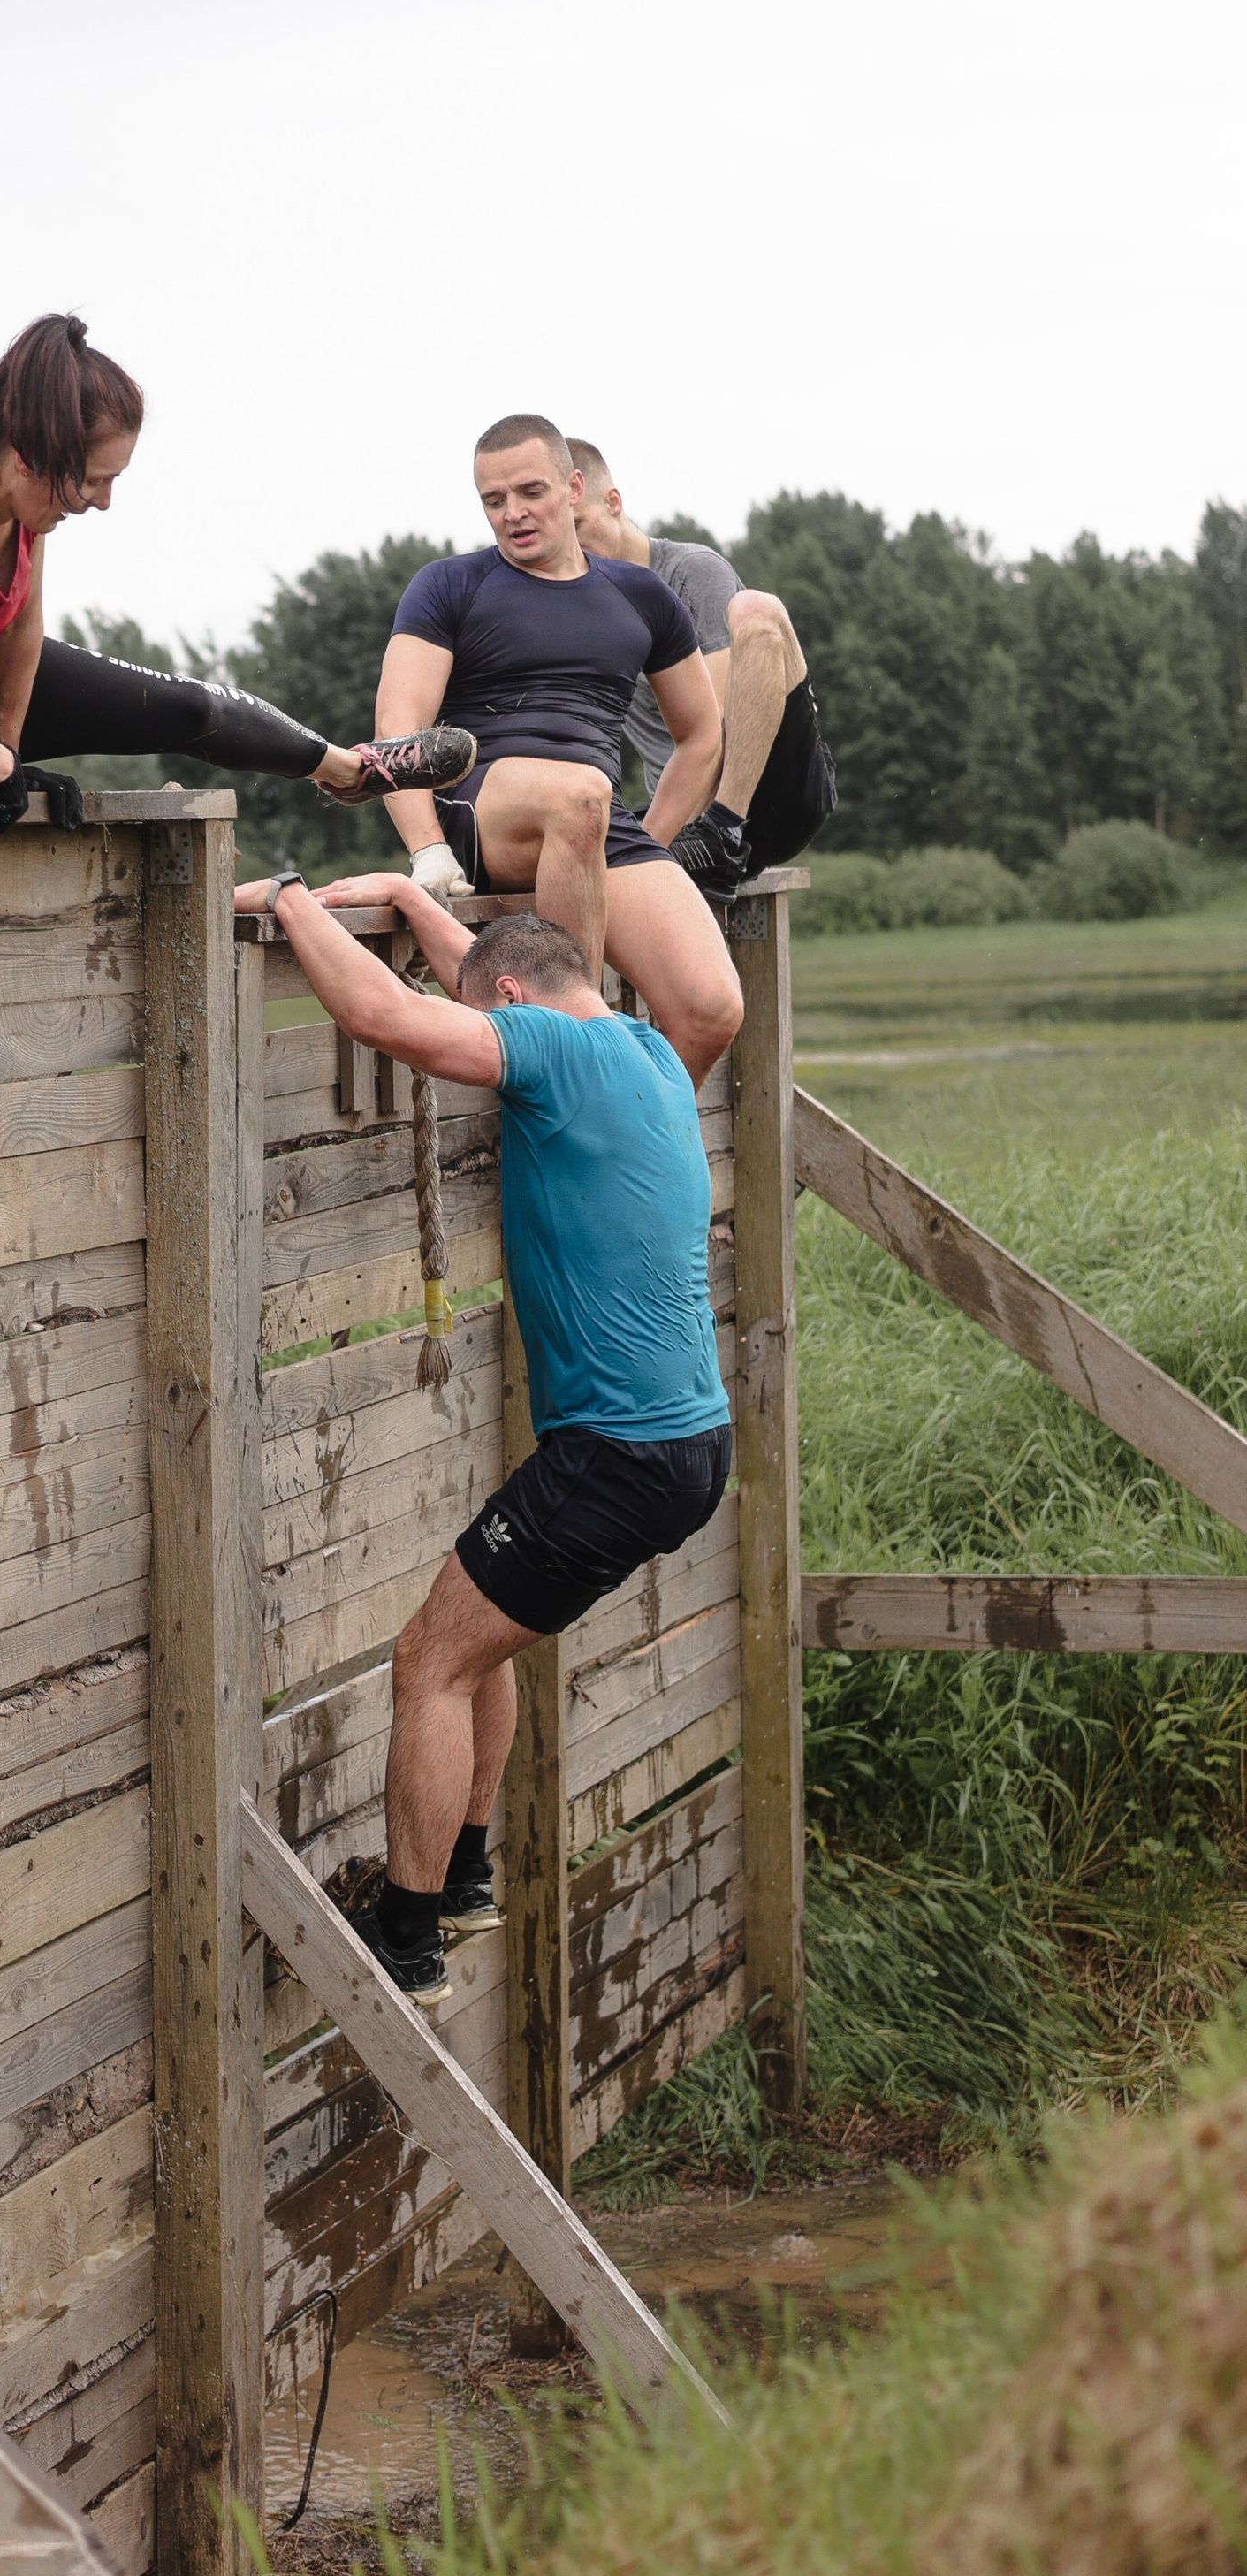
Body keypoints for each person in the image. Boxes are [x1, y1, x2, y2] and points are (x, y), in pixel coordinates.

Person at [232, 866, 732, 2013]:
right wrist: (414, 910)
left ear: (509, 999)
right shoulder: (649, 1054)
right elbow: (492, 967)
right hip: (682, 1446)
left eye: (488, 1006)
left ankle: (406, 1934)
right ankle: (457, 1874)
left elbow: (381, 1016)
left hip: (615, 1452)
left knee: (430, 1661)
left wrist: (296, 902)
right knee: (482, 1642)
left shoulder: (555, 1054)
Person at [0, 314, 475, 825]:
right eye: (90, 483)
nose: (103, 502)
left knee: (182, 707)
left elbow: (21, 630)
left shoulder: (3, 463)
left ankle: (348, 770)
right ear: (32, 458)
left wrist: (12, 748)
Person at [373, 415, 741, 1084]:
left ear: (575, 488)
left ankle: (622, 1138)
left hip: (591, 820)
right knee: (580, 793)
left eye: (530, 492)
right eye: (493, 500)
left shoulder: (640, 594)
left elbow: (701, 732)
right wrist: (428, 850)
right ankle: (580, 1050)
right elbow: (399, 731)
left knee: (711, 1008)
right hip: (485, 806)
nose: (512, 513)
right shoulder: (449, 585)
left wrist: (650, 836)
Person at [571, 439, 837, 903]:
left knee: (756, 610)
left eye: (578, 526)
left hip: (773, 791)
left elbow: (713, 733)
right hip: (684, 817)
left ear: (613, 502)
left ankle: (724, 831)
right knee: (564, 841)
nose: (573, 547)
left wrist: (650, 848)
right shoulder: (579, 613)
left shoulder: (690, 573)